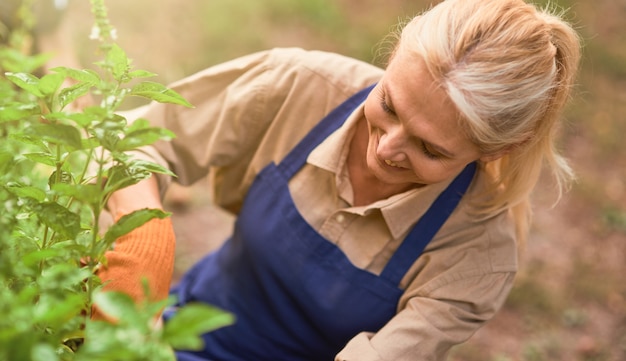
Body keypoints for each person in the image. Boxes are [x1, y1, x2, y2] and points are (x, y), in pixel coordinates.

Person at [99, 0, 582, 359]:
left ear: (497, 150)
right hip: (177, 329)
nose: (385, 149)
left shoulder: (476, 257)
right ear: (393, 56)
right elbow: (139, 140)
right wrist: (146, 234)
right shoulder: (297, 86)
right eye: (389, 105)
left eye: (430, 148)